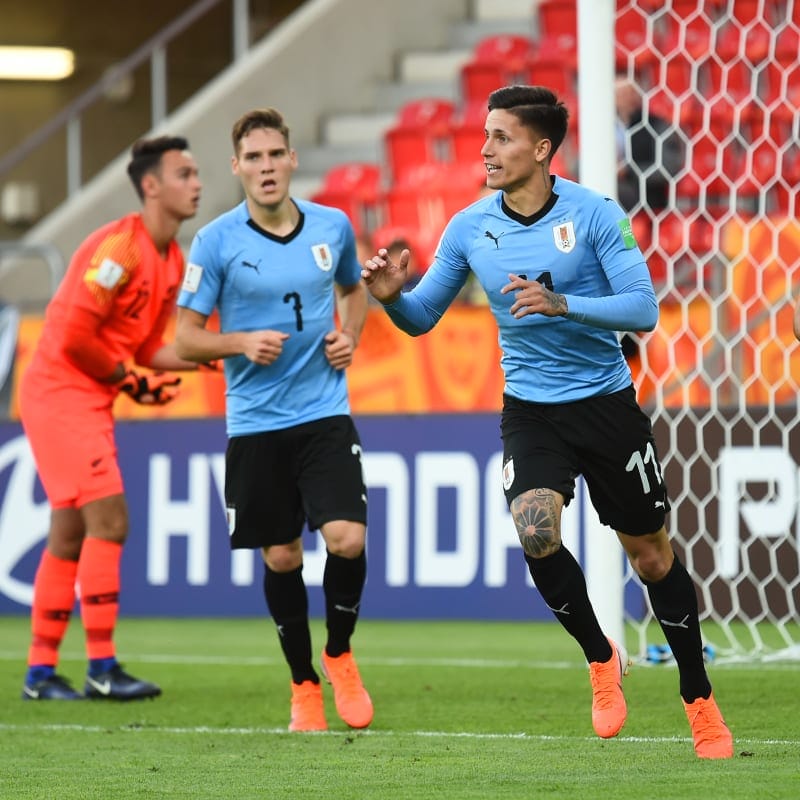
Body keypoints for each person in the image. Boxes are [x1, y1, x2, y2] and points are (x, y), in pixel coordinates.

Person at [361, 85, 733, 760]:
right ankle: (600, 656)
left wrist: (564, 305)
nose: (485, 149)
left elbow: (643, 309)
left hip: (605, 404)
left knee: (650, 555)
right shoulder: (469, 227)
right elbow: (421, 319)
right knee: (534, 528)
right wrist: (391, 300)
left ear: (540, 148)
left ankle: (699, 698)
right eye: (486, 136)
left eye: (501, 137)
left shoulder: (597, 216)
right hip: (531, 410)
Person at [174, 107, 372, 733]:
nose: (265, 167)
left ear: (291, 159)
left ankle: (338, 653)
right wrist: (239, 342)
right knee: (283, 557)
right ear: (237, 168)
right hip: (256, 423)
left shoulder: (333, 227)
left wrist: (351, 335)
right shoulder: (216, 242)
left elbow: (354, 288)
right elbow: (184, 338)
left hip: (323, 413)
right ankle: (303, 683)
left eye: (274, 155)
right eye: (252, 158)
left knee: (348, 537)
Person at [19, 135, 204, 701]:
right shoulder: (120, 250)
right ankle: (102, 667)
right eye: (184, 174)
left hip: (84, 396)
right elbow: (76, 337)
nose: (196, 183)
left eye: (196, 173)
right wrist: (127, 380)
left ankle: (40, 673)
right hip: (60, 393)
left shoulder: (170, 258)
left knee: (70, 531)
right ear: (150, 186)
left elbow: (148, 346)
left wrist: (223, 355)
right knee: (112, 522)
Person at [615, 76, 683, 214]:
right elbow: (578, 166)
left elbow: (668, 168)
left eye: (629, 93)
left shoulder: (658, 126)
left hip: (646, 201)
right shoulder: (600, 130)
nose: (626, 98)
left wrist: (628, 171)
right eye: (620, 94)